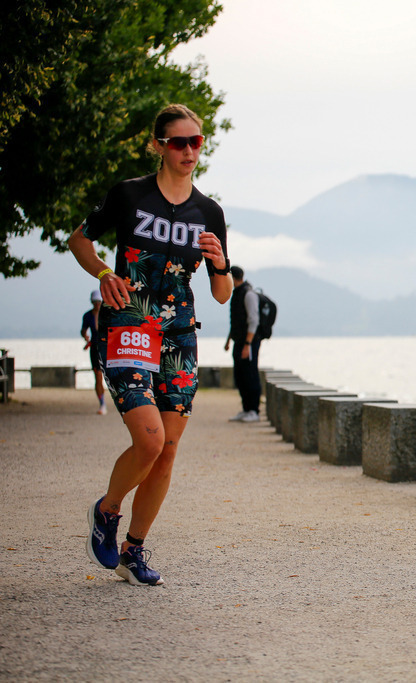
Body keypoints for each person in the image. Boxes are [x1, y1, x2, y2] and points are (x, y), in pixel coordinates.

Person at [68, 103, 232, 586]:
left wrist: (220, 263)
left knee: (169, 449)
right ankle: (107, 509)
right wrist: (103, 273)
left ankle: (133, 551)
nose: (188, 151)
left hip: (180, 335)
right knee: (150, 438)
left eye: (195, 142)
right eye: (178, 142)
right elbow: (80, 239)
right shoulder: (130, 195)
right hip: (130, 324)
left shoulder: (209, 212)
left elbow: (221, 293)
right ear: (158, 145)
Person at [224, 265, 262, 422]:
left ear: (232, 277)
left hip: (249, 341)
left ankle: (254, 410)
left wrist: (248, 344)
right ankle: (246, 409)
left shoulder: (248, 294)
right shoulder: (237, 294)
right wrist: (228, 341)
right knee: (240, 375)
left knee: (250, 374)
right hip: (239, 340)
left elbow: (254, 320)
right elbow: (236, 321)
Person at [81, 290, 107, 415]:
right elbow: (83, 330)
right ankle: (102, 403)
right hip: (95, 347)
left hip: (106, 346)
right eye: (95, 302)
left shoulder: (107, 314)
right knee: (97, 375)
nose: (97, 304)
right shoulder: (88, 316)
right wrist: (85, 337)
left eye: (99, 302)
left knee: (107, 375)